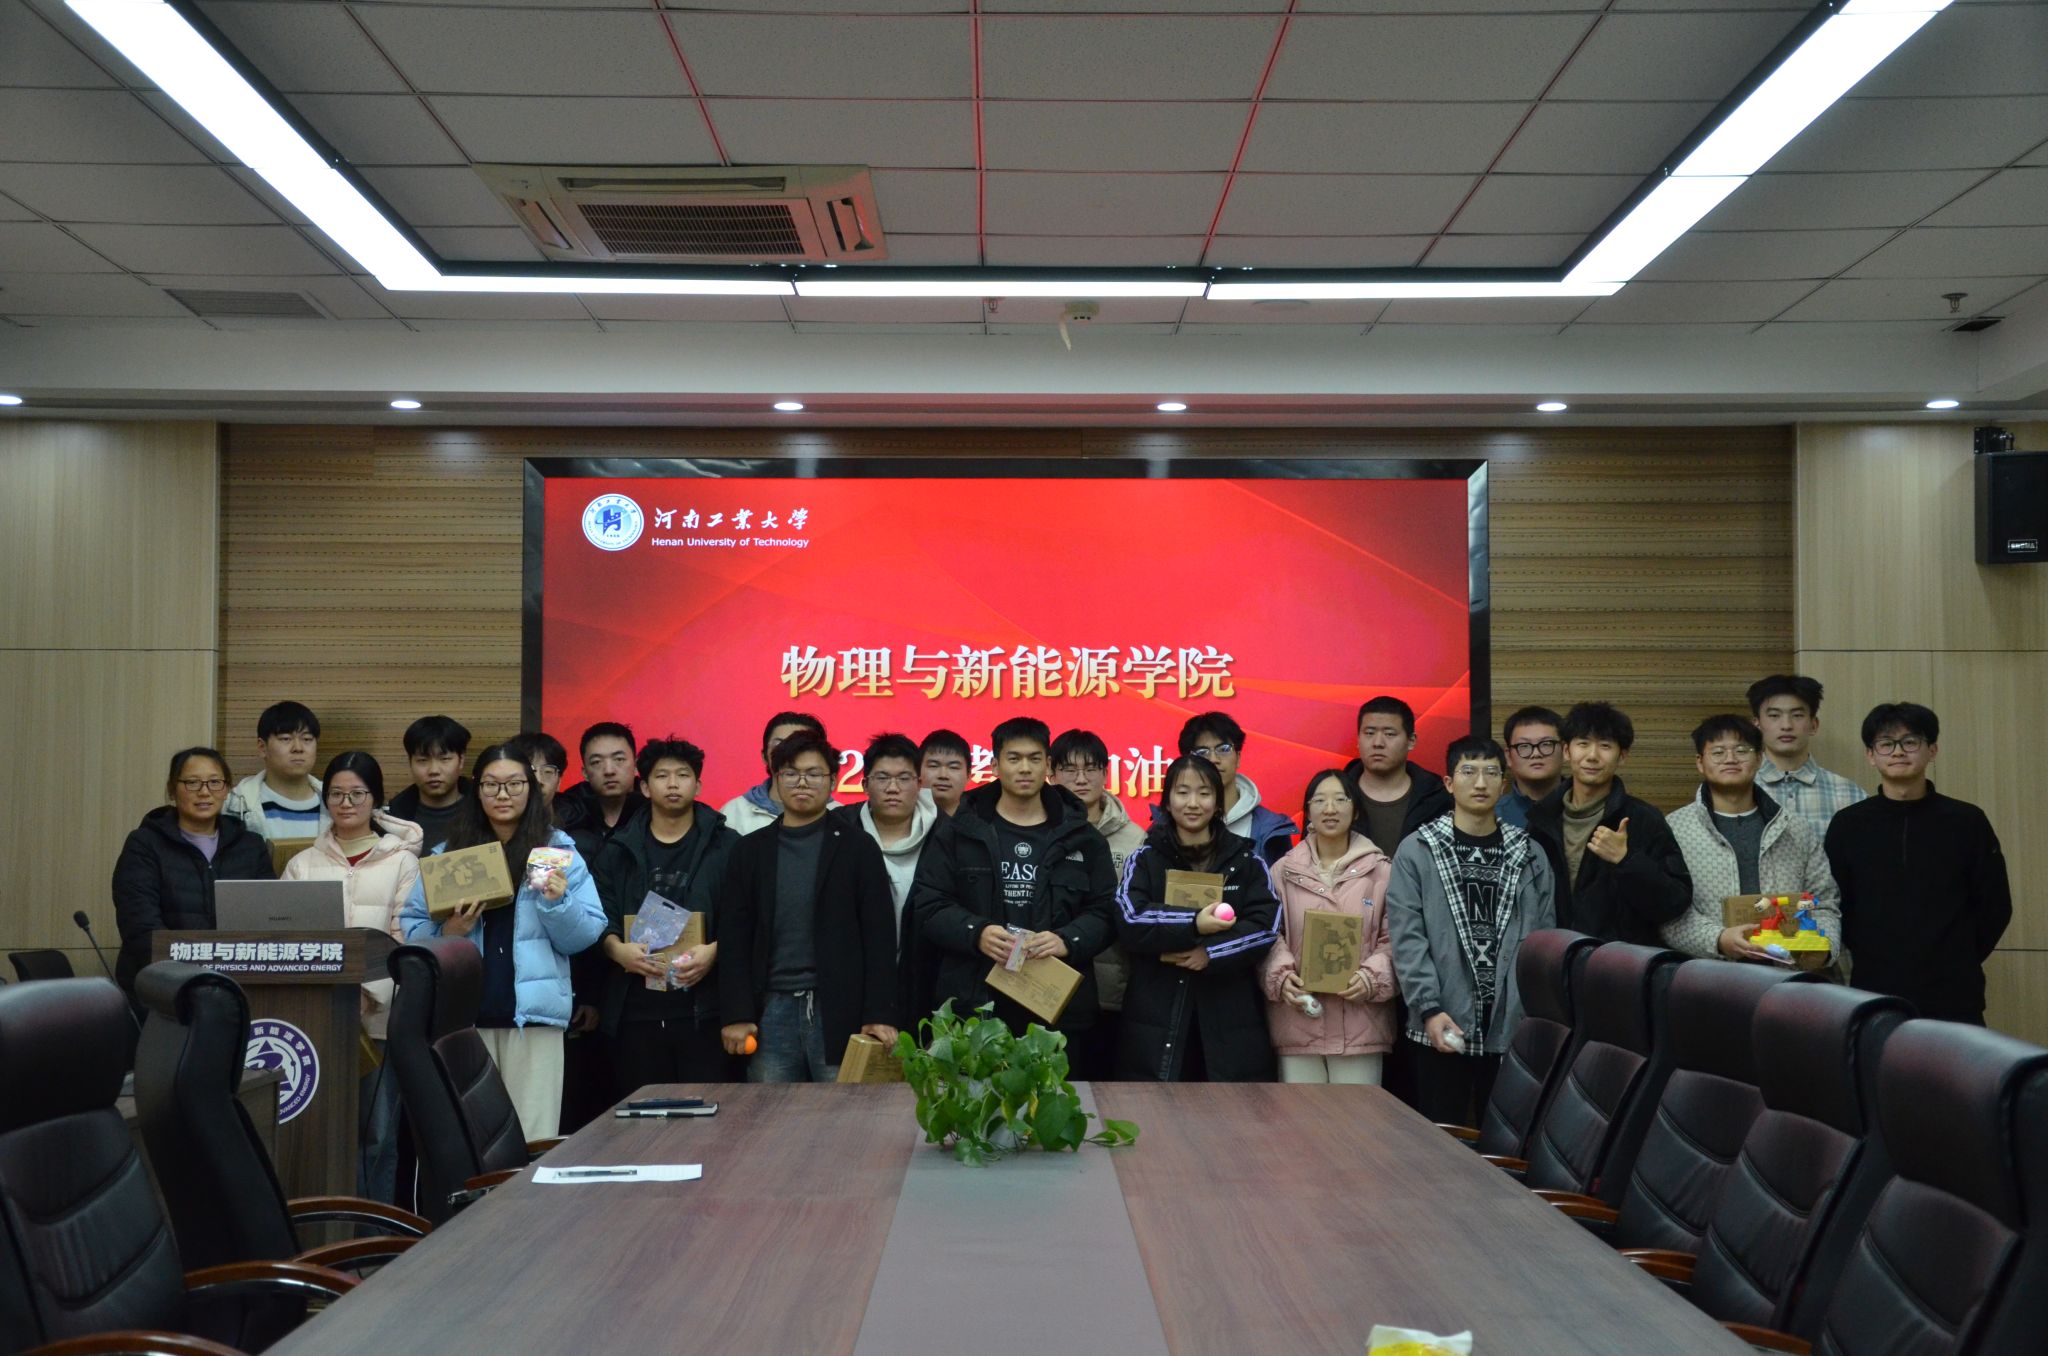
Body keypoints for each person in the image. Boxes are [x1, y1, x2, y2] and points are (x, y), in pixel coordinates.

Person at [399, 743, 606, 1138]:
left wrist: (557, 904)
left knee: (532, 1138)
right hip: (463, 1020)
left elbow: (584, 937)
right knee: (469, 1139)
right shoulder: (450, 855)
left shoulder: (556, 850)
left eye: (514, 784)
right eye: (491, 785)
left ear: (531, 789)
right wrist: (449, 933)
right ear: (477, 791)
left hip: (535, 1020)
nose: (503, 794)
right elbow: (411, 930)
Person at [911, 717, 1118, 1044]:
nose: (1024, 768)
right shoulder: (959, 831)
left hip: (1055, 1011)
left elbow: (1106, 910)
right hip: (975, 1005)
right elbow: (929, 904)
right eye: (1014, 758)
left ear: (1047, 765)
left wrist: (1067, 940)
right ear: (995, 766)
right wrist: (976, 932)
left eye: (1034, 759)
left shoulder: (1082, 837)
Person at [1386, 736, 1556, 1128]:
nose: (1480, 783)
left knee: (1507, 1139)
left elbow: (1546, 940)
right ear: (1449, 783)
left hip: (1511, 1025)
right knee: (1440, 1140)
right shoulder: (1418, 849)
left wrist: (1534, 1014)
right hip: (1440, 1019)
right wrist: (1428, 1008)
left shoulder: (1530, 853)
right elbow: (1407, 938)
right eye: (1468, 772)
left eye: (1490, 773)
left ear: (1503, 784)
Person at [717, 731, 900, 1081]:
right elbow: (734, 939)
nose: (802, 782)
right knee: (770, 1111)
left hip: (840, 1008)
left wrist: (879, 1012)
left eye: (814, 773)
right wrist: (737, 1013)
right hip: (770, 1010)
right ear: (776, 778)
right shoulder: (749, 851)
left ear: (832, 780)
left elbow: (880, 937)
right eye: (791, 772)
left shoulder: (858, 848)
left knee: (843, 1109)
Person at [280, 751, 421, 1202]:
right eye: (336, 794)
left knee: (377, 1136)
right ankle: (324, 1230)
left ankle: (374, 1232)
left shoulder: (402, 862)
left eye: (357, 794)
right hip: (314, 1025)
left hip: (378, 1023)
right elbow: (284, 941)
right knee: (315, 1131)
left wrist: (367, 994)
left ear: (375, 799)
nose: (346, 803)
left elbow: (404, 938)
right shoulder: (302, 864)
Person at [1825, 703, 2011, 1025]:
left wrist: (1959, 957)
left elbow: (1995, 905)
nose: (1898, 751)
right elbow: (1836, 902)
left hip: (1954, 992)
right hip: (1874, 990)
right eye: (1886, 743)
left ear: (1932, 750)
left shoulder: (1967, 821)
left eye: (1910, 742)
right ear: (1871, 755)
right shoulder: (1848, 824)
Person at [1114, 754, 1280, 1082]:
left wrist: (1210, 953)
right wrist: (1193, 923)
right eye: (1182, 792)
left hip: (1229, 1016)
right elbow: (1129, 918)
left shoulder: (1247, 861)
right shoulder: (1145, 858)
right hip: (1155, 1015)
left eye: (1204, 793)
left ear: (1218, 803)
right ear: (1167, 801)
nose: (1193, 803)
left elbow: (1265, 927)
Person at [592, 737, 739, 1092]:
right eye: (662, 776)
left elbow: (747, 916)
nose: (673, 784)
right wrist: (617, 950)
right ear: (644, 786)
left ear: (698, 785)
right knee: (643, 1115)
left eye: (683, 775)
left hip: (704, 1008)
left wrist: (715, 951)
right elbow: (598, 915)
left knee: (707, 1111)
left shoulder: (728, 845)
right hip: (634, 1010)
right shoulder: (618, 849)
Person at [1663, 715, 1842, 965]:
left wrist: (1823, 949)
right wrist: (1718, 939)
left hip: (1784, 977)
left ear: (1759, 759)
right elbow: (1667, 912)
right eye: (1718, 752)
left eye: (1741, 750)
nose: (1730, 759)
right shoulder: (1674, 829)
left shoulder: (1795, 828)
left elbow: (1823, 902)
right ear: (1700, 763)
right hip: (1705, 976)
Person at [1262, 770, 1396, 1085]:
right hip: (1298, 1021)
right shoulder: (1282, 871)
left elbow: (1397, 939)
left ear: (1356, 810)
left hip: (1361, 1024)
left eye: (1340, 799)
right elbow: (1268, 934)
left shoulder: (1382, 872)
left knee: (1356, 1115)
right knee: (1299, 1115)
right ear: (1308, 811)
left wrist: (1372, 978)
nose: (1330, 809)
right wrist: (1282, 977)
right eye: (1320, 800)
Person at [1524, 701, 1690, 944]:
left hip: (1618, 961)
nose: (1592, 756)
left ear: (1621, 756)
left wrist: (1627, 860)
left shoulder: (1642, 819)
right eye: (1583, 744)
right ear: (1567, 751)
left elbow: (1674, 903)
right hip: (1555, 956)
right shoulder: (1541, 820)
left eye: (1605, 746)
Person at [112, 747, 274, 994]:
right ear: (172, 790)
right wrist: (188, 978)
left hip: (238, 984)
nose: (205, 792)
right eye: (192, 783)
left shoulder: (250, 846)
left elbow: (268, 918)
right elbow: (140, 926)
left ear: (227, 789)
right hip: (162, 987)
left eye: (215, 782)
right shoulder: (144, 844)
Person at [1051, 728, 1145, 1076]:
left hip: (1112, 987)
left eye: (1090, 768)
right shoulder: (1038, 831)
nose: (1081, 779)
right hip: (1048, 982)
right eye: (1069, 769)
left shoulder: (1135, 837)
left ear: (1105, 773)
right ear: (1051, 773)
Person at [854, 733, 940, 1023]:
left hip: (926, 986)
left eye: (904, 778)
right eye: (882, 778)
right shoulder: (840, 832)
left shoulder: (947, 837)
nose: (893, 788)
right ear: (865, 784)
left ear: (919, 784)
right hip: (855, 987)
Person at [1165, 712, 1296, 866]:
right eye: (1202, 752)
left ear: (1238, 757)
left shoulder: (1271, 830)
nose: (1213, 759)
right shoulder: (1163, 827)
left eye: (1223, 749)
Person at [1748, 674, 1868, 842]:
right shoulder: (1736, 790)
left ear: (1813, 725)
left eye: (1797, 715)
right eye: (1774, 715)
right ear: (1757, 725)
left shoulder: (1850, 794)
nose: (1786, 725)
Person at [1345, 696, 1451, 856]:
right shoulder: (1333, 794)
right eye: (1369, 733)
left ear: (1411, 741)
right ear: (1358, 739)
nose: (1378, 743)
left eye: (1389, 734)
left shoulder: (1438, 798)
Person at [223, 700, 325, 846]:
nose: (298, 748)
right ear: (262, 747)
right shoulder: (235, 805)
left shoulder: (335, 802)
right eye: (286, 739)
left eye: (307, 739)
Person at [720, 711, 828, 835]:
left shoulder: (838, 814)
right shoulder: (733, 813)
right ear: (764, 756)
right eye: (779, 745)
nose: (789, 752)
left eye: (801, 746)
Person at [556, 722, 646, 852]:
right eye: (597, 762)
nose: (609, 771)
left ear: (636, 766)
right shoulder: (568, 812)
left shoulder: (654, 808)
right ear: (585, 773)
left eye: (619, 759)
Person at [388, 715, 470, 851]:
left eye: (444, 759)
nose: (434, 770)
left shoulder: (483, 811)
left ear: (461, 760)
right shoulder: (395, 820)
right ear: (410, 762)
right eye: (422, 760)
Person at [1498, 705, 1564, 829]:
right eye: (1524, 746)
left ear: (1565, 751)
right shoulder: (1492, 816)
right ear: (1508, 757)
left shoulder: (1587, 810)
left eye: (1546, 744)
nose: (1536, 754)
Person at [506, 730, 569, 811]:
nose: (538, 780)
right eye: (529, 771)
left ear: (559, 781)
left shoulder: (575, 817)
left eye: (547, 772)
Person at [919, 728, 971, 817]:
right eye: (933, 766)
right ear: (917, 772)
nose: (943, 775)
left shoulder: (983, 822)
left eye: (953, 767)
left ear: (968, 775)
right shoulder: (900, 820)